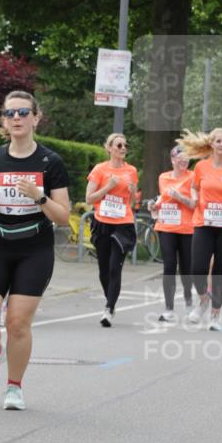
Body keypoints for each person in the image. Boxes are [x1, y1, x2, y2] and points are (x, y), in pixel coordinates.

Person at [0, 91, 70, 410]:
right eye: (9, 113)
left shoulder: (50, 162)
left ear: (36, 118)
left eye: (23, 112)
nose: (16, 118)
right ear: (3, 120)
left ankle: (14, 387)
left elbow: (64, 216)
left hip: (34, 250)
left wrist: (39, 197)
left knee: (17, 323)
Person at [177, 128, 222, 332]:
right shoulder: (201, 167)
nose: (221, 144)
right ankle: (203, 300)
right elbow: (194, 187)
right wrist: (195, 198)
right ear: (212, 144)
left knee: (219, 272)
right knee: (197, 268)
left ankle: (215, 317)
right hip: (204, 224)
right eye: (218, 141)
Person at [86, 133, 138, 327]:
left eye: (125, 145)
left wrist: (132, 191)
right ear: (109, 148)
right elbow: (89, 198)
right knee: (104, 269)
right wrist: (108, 187)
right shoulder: (100, 170)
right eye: (119, 145)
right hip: (102, 222)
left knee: (115, 266)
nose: (123, 148)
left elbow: (131, 202)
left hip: (123, 223)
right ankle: (111, 300)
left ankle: (108, 308)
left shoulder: (131, 171)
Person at [149, 145, 196, 323]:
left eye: (186, 158)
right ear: (172, 159)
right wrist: (154, 206)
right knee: (169, 266)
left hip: (187, 228)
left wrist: (179, 197)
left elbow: (193, 204)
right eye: (180, 158)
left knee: (186, 268)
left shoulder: (193, 177)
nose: (183, 161)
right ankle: (169, 308)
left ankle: (189, 301)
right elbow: (162, 199)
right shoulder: (163, 177)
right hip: (166, 226)